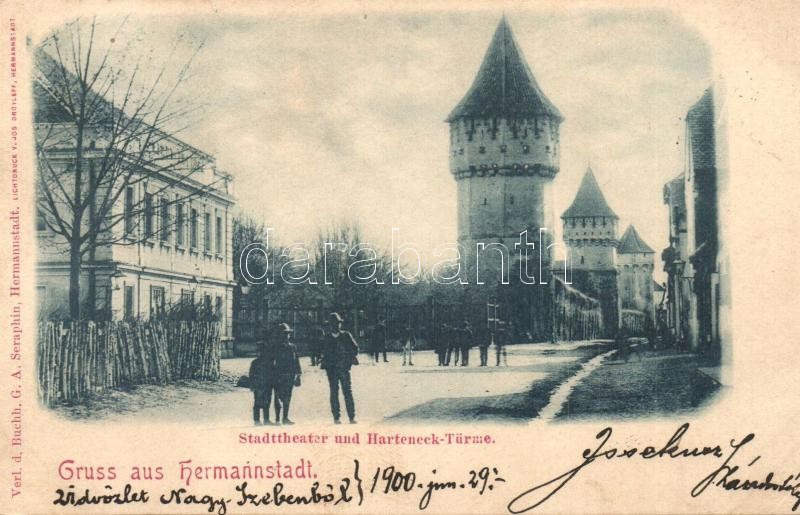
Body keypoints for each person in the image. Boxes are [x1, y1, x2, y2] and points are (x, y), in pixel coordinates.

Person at [321, 312, 359, 424]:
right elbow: (322, 352)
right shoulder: (327, 338)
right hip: (332, 370)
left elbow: (355, 349)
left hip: (344, 368)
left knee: (347, 391)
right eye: (333, 324)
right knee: (334, 392)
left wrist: (348, 362)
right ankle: (336, 417)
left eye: (337, 323)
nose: (336, 325)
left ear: (340, 324)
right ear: (330, 325)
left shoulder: (346, 335)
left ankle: (352, 417)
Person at [273, 323, 302, 425]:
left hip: (290, 375)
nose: (286, 336)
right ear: (279, 335)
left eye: (288, 333)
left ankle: (285, 418)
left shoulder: (293, 347)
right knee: (277, 396)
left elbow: (296, 361)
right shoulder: (275, 347)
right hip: (278, 375)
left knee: (287, 397)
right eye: (284, 334)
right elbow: (271, 361)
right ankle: (277, 419)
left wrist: (298, 375)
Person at [248, 341, 276, 426]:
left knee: (267, 401)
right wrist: (252, 385)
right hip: (259, 385)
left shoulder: (269, 362)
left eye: (264, 351)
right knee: (257, 402)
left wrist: (273, 383)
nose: (262, 353)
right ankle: (257, 420)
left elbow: (272, 373)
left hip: (268, 384)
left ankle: (266, 420)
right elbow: (251, 374)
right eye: (260, 351)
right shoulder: (255, 362)